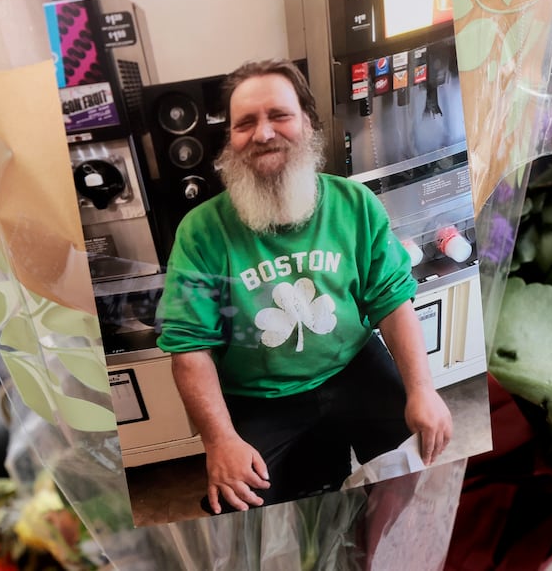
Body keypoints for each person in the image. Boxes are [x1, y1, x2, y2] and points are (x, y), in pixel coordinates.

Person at [157, 59, 452, 514]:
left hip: (353, 365)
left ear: (308, 123)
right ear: (230, 140)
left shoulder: (355, 204)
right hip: (258, 393)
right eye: (245, 124)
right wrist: (219, 441)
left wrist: (423, 390)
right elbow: (189, 348)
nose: (262, 133)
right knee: (238, 507)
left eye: (279, 115)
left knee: (419, 468)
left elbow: (393, 303)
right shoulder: (200, 231)